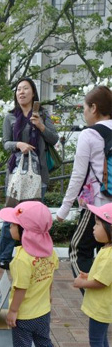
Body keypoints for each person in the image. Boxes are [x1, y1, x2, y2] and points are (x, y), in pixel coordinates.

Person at [0, 201, 61, 347]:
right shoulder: (50, 252)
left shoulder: (21, 259)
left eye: (13, 224)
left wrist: (12, 312)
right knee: (44, 342)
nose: (9, 227)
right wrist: (48, 298)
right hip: (43, 311)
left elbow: (20, 289)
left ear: (25, 231)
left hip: (24, 315)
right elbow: (49, 279)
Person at [0, 78, 59, 270]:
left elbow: (54, 137)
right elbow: (5, 143)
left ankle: (33, 253)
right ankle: (5, 257)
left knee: (33, 216)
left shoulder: (42, 114)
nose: (21, 92)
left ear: (33, 93)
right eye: (18, 89)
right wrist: (18, 145)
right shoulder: (10, 117)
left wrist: (40, 125)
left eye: (25, 89)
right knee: (11, 216)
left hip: (38, 173)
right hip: (16, 174)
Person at [56, 85, 112, 279]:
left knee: (78, 251)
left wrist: (63, 210)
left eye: (85, 108)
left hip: (96, 205)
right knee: (107, 253)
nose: (84, 113)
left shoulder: (89, 134)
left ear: (94, 108)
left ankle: (94, 301)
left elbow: (78, 176)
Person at [70, 202, 112, 347]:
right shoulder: (106, 250)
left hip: (101, 306)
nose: (93, 229)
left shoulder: (110, 255)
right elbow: (103, 275)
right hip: (101, 306)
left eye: (97, 225)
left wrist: (83, 282)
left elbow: (101, 282)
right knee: (100, 337)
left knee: (95, 338)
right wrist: (89, 274)